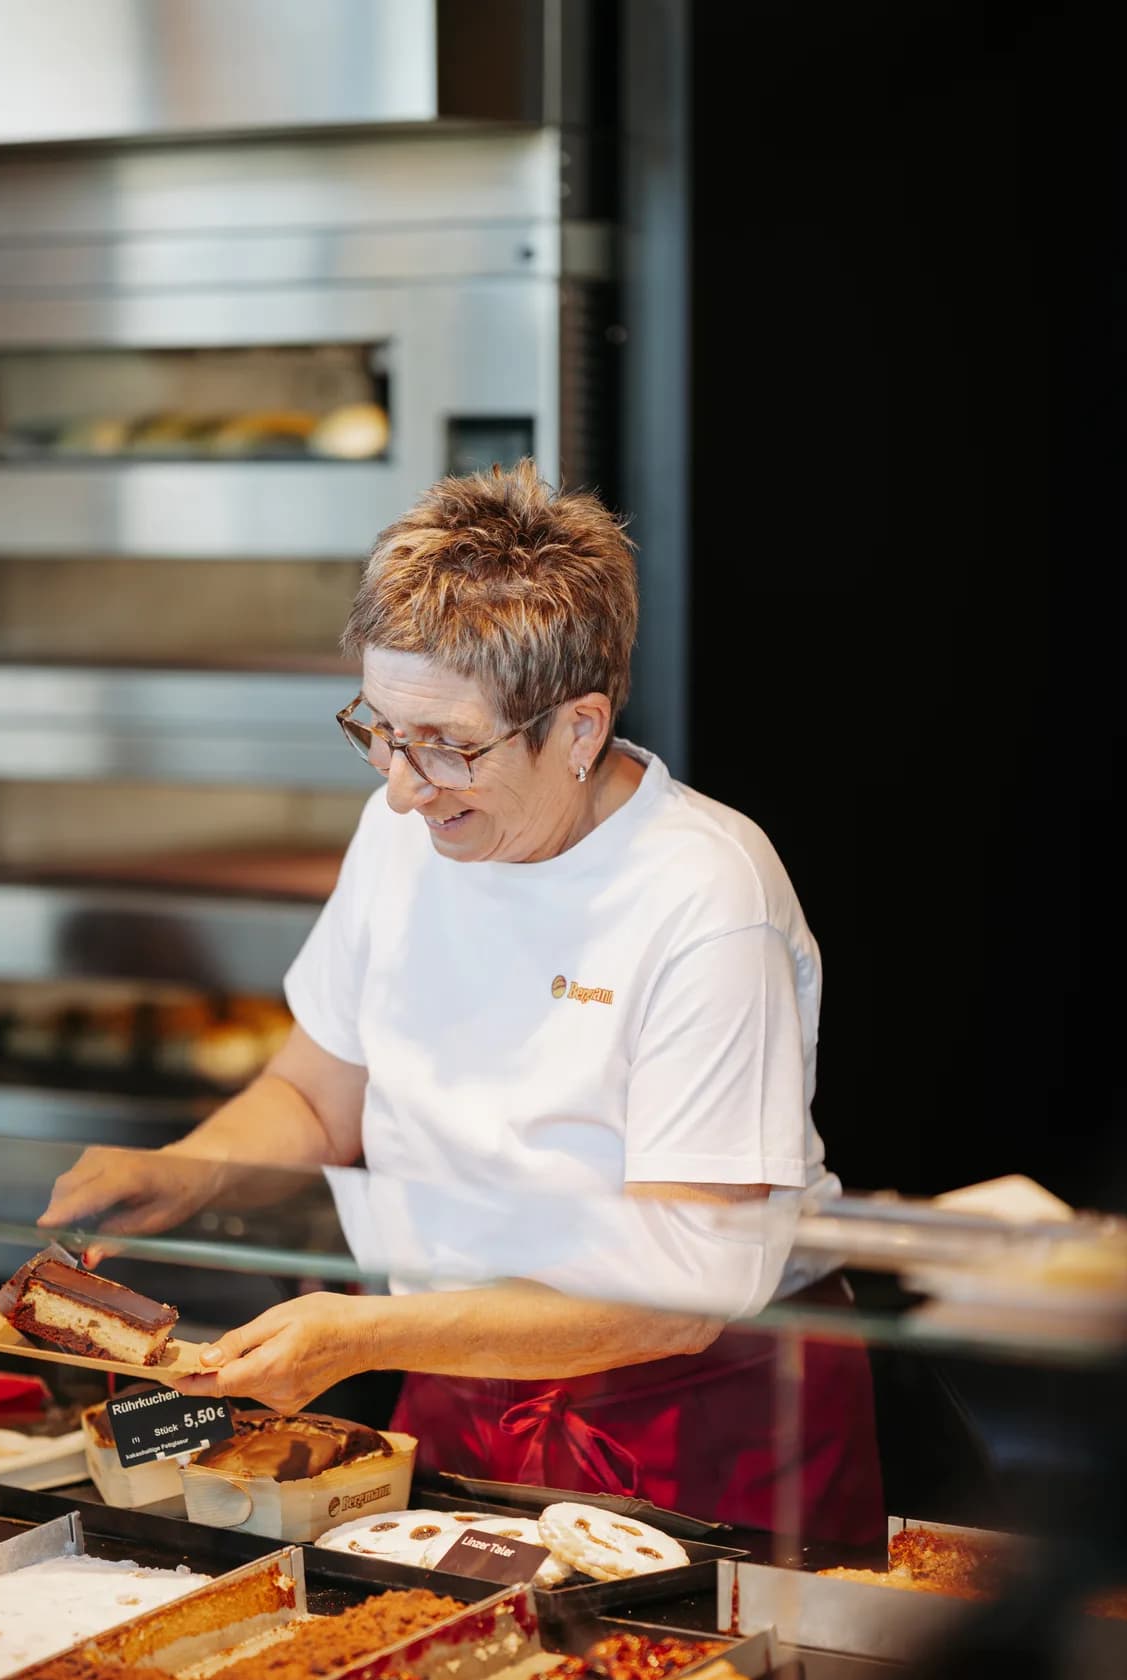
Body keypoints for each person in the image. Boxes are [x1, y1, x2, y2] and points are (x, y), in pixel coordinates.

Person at [42, 462, 881, 1539]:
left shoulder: (707, 893)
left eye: (448, 744)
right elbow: (316, 1090)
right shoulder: (405, 824)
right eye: (380, 730)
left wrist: (358, 1338)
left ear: (580, 728)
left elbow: (681, 1289)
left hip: (691, 1414)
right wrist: (181, 1172)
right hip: (448, 1367)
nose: (399, 784)